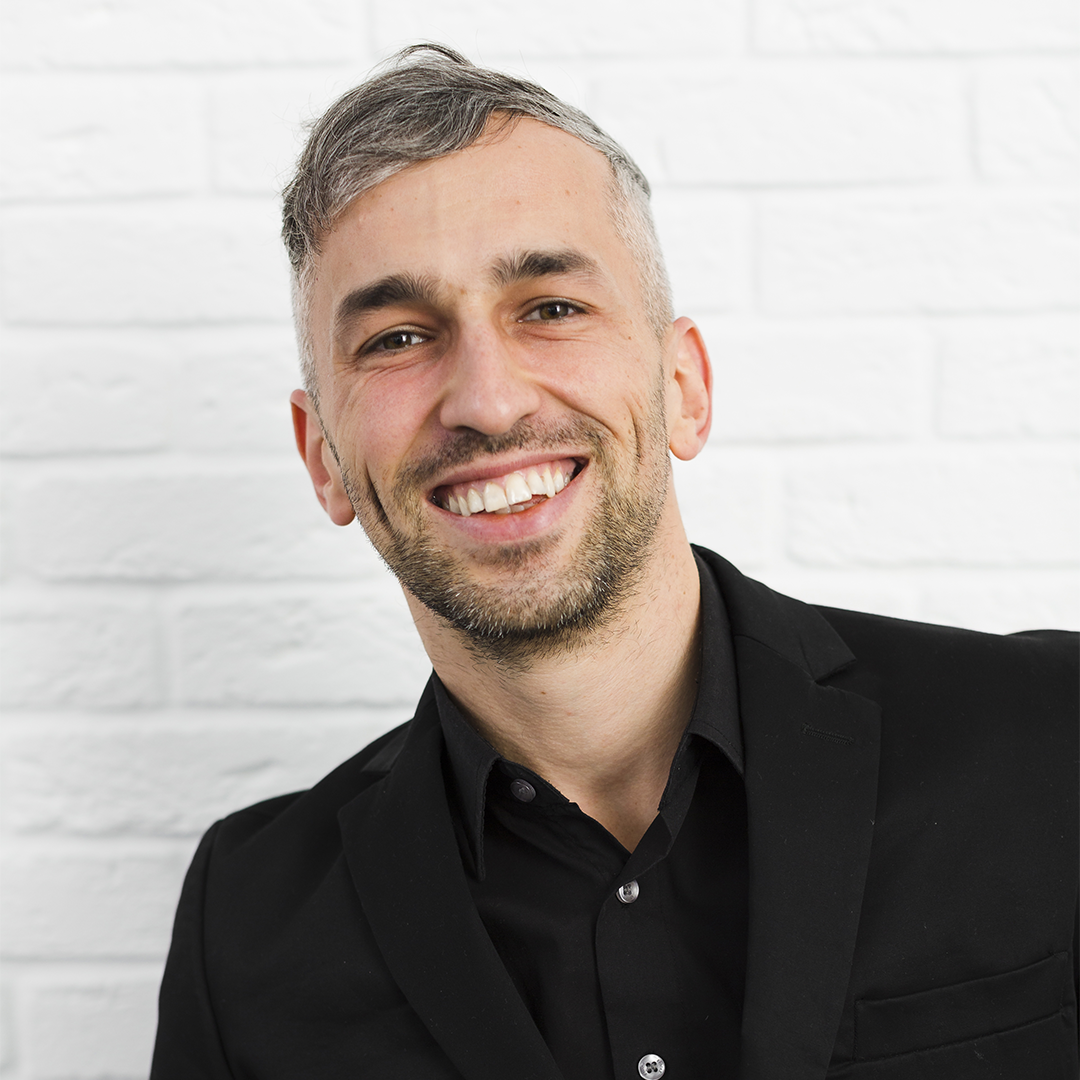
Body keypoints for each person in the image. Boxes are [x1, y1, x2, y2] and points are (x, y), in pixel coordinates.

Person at [151, 44, 1078, 1080]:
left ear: (683, 388)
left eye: (550, 307)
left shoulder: (1048, 738)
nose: (488, 401)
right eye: (398, 339)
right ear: (323, 456)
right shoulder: (245, 925)